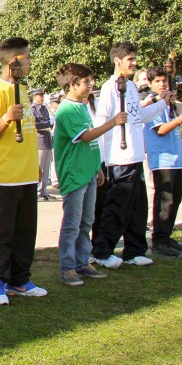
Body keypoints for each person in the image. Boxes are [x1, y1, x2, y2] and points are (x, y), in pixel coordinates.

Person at [91, 42, 169, 269]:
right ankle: (102, 250)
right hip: (119, 157)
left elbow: (138, 117)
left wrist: (162, 104)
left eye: (135, 59)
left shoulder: (132, 87)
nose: (134, 63)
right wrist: (101, 159)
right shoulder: (109, 88)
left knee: (137, 207)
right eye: (130, 60)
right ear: (118, 61)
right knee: (117, 207)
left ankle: (134, 250)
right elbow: (102, 121)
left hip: (135, 156)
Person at [0, 37, 46, 305]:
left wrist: (36, 168)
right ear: (14, 61)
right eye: (27, 58)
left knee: (25, 232)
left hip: (26, 174)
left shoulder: (24, 89)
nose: (30, 62)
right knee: (2, 233)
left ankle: (20, 279)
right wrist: (7, 118)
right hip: (4, 177)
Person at [53, 63, 127, 286]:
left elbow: (90, 142)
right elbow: (85, 136)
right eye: (86, 81)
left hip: (88, 172)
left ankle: (82, 262)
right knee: (72, 224)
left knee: (87, 221)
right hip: (74, 174)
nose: (90, 85)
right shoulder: (66, 109)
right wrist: (113, 122)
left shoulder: (82, 106)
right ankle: (68, 268)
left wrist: (97, 167)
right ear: (72, 84)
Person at [142, 67, 182, 256]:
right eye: (157, 81)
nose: (162, 84)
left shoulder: (169, 103)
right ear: (149, 83)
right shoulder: (152, 104)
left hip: (176, 158)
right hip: (162, 158)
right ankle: (159, 239)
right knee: (165, 200)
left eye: (164, 81)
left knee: (176, 199)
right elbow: (160, 129)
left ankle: (167, 234)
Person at [31, 88, 54, 200]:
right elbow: (34, 124)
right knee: (39, 168)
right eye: (40, 95)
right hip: (39, 140)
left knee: (46, 167)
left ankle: (43, 190)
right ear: (35, 96)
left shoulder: (44, 108)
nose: (42, 97)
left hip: (47, 139)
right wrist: (48, 123)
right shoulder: (32, 109)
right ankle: (36, 191)